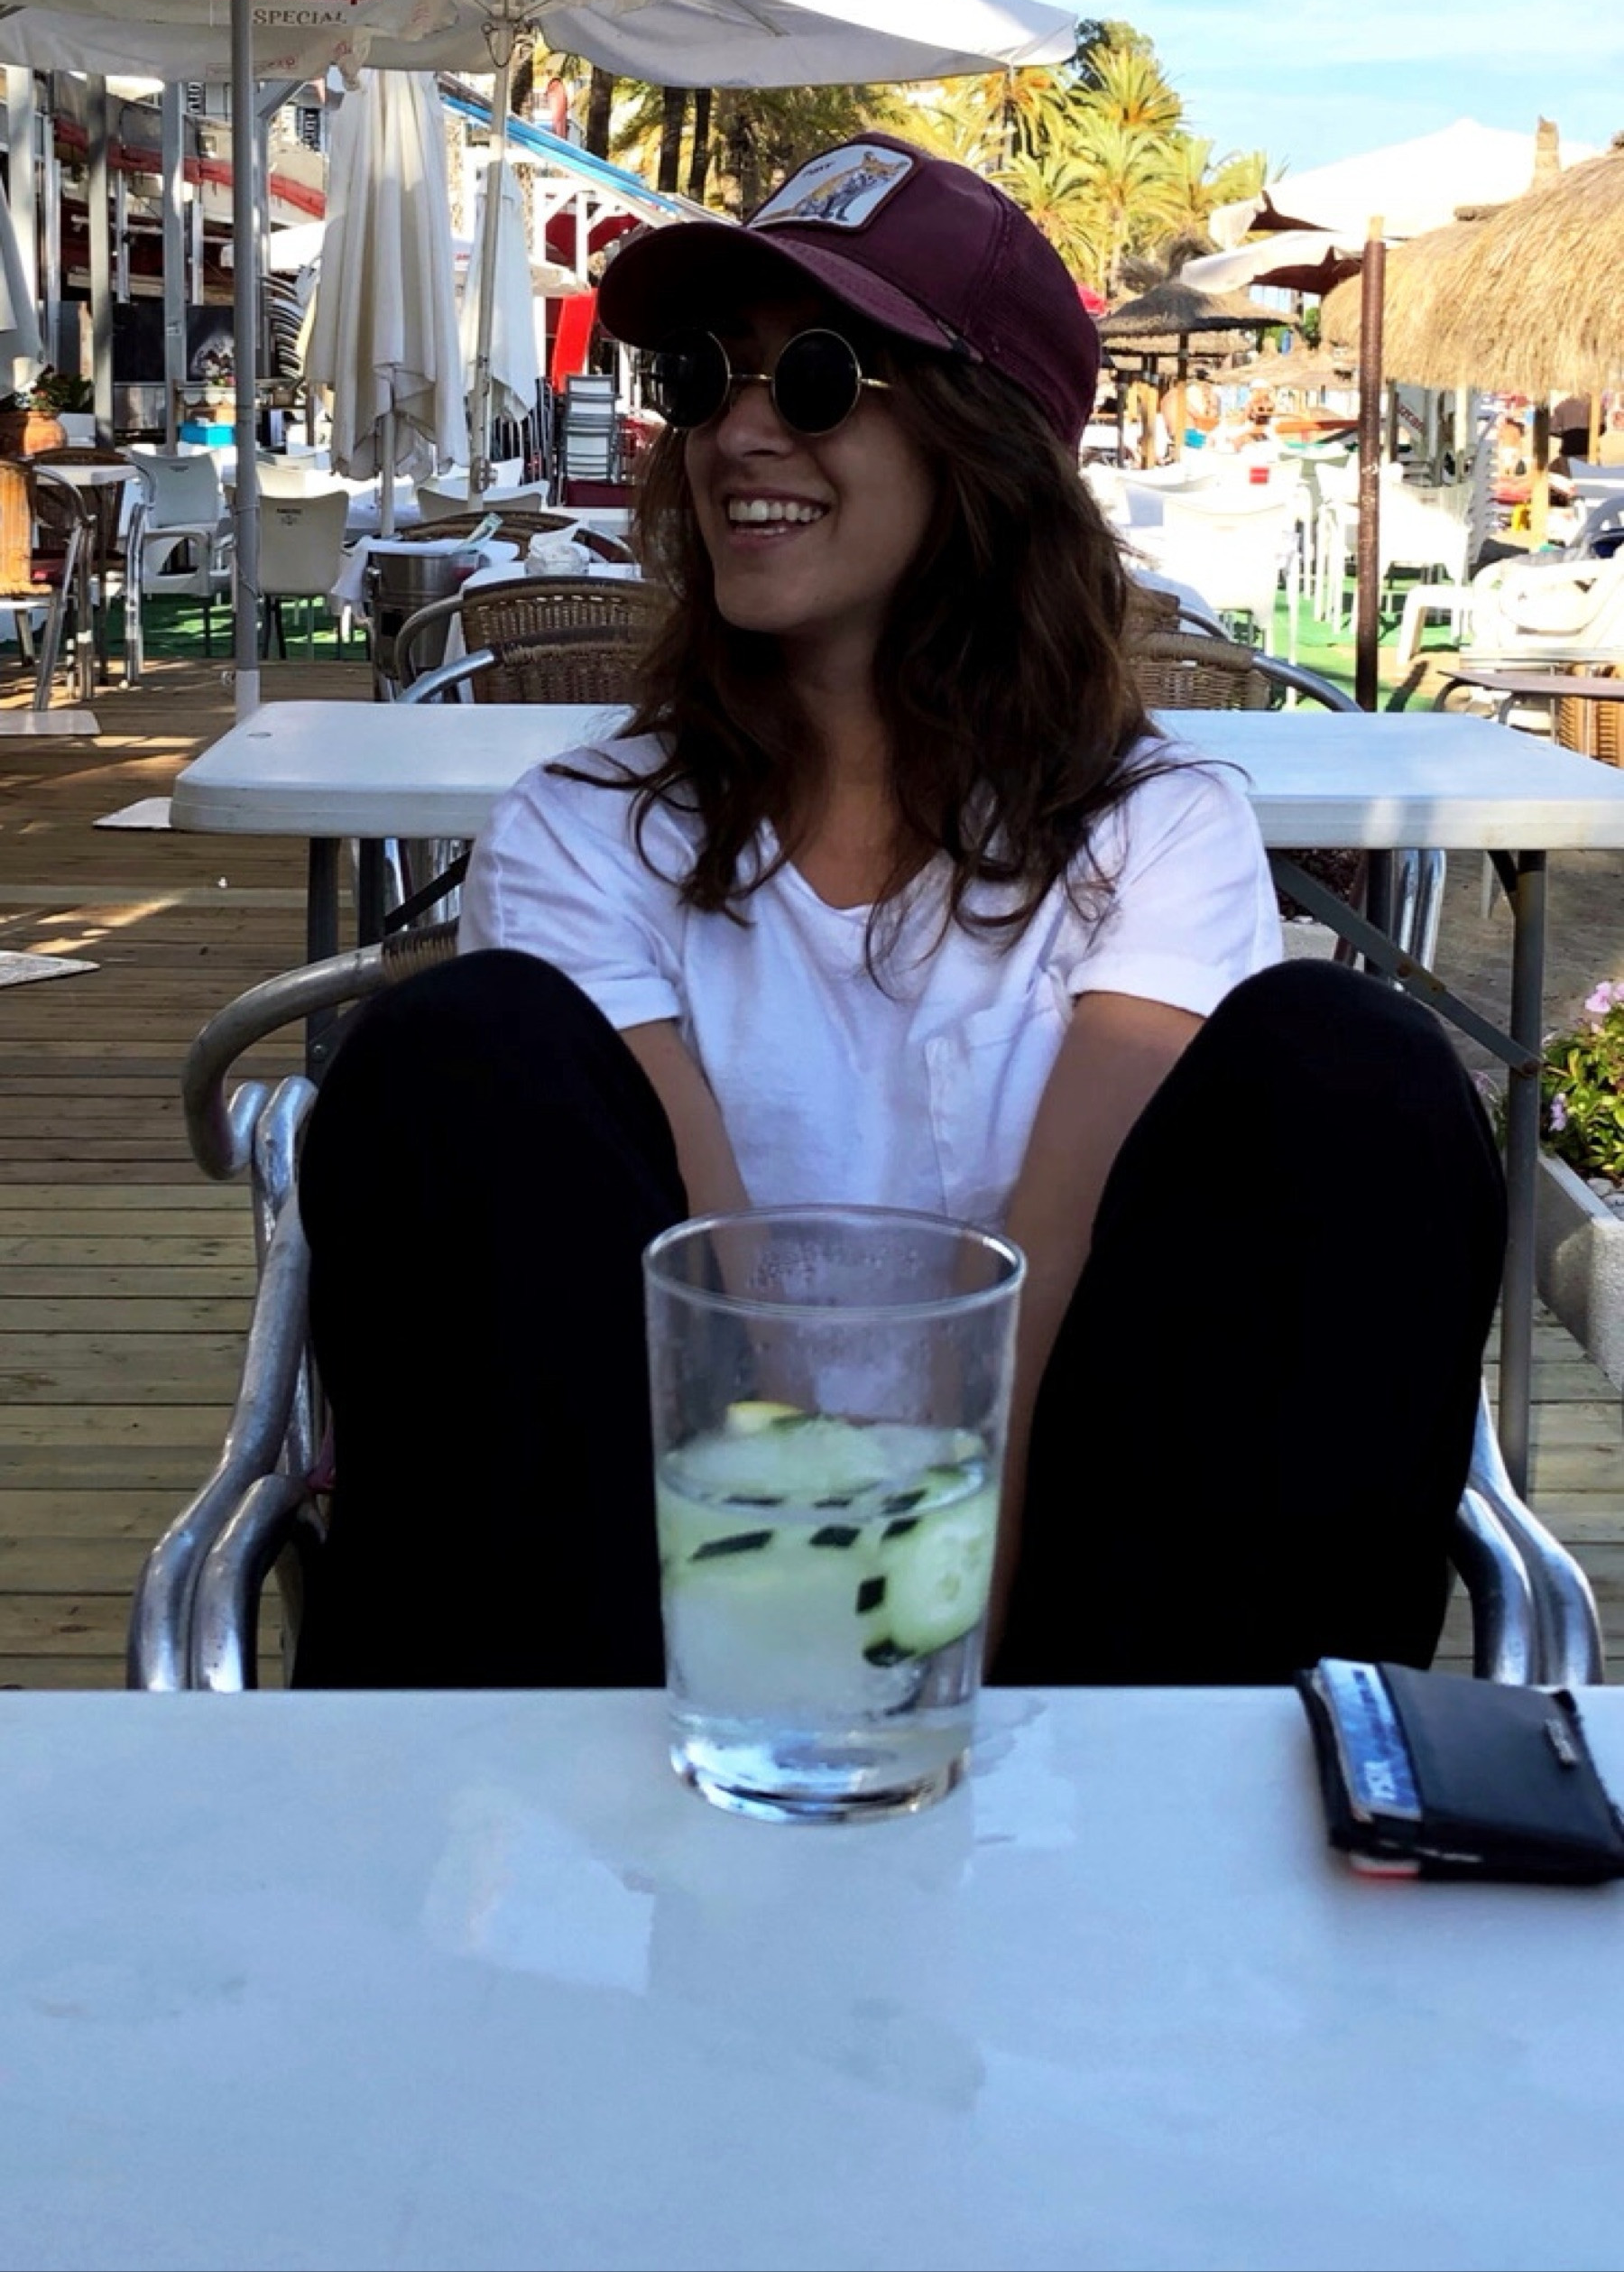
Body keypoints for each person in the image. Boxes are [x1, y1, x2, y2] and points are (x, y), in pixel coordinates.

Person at [295, 134, 1504, 1692]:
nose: (736, 430)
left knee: (1356, 1072)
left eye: (814, 376)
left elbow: (1049, 1268)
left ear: (983, 445)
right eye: (704, 375)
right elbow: (716, 1302)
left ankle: (1233, 1803)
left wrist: (937, 1666)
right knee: (456, 1054)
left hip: (1079, 1606)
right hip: (674, 1584)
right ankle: (512, 1803)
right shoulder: (587, 830)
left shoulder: (1154, 830)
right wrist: (819, 1665)